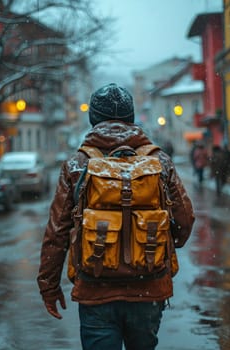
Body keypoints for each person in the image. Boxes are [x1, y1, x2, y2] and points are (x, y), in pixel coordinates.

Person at [37, 83, 195, 350]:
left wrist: (48, 286)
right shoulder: (160, 161)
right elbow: (185, 220)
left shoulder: (78, 164)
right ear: (131, 118)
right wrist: (158, 244)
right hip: (149, 287)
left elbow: (57, 232)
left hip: (94, 288)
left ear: (93, 119)